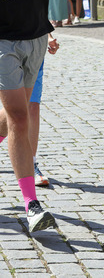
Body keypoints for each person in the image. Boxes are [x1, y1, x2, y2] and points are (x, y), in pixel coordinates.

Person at [0, 0, 73, 232]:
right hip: (2, 39)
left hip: (36, 39)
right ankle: (32, 204)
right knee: (20, 117)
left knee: (11, 116)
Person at [0, 33, 59, 187]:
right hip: (6, 44)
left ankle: (31, 164)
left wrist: (48, 36)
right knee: (16, 110)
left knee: (31, 105)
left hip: (34, 43)